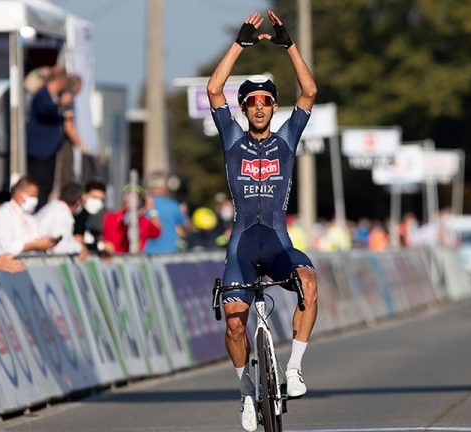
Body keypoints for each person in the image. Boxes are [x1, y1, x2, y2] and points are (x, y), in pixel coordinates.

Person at [207, 10, 318, 431]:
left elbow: (309, 90)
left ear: (274, 106)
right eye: (251, 101)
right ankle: (246, 393)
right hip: (240, 246)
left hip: (277, 243)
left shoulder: (286, 138)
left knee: (308, 282)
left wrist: (288, 45)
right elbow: (214, 88)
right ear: (244, 107)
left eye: (266, 101)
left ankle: (295, 369)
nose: (258, 106)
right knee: (235, 322)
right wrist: (242, 42)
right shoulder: (233, 138)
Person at [27, 65, 68, 209]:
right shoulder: (42, 95)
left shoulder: (52, 97)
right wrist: (60, 106)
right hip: (40, 150)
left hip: (49, 150)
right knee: (40, 185)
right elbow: (45, 111)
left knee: (47, 185)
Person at [0, 176, 59, 256]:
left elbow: (33, 237)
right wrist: (33, 245)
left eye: (36, 197)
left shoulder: (29, 216)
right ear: (18, 194)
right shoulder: (4, 214)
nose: (35, 200)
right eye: (32, 196)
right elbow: (5, 248)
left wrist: (44, 241)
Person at [102, 186, 162, 254]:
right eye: (128, 196)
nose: (130, 200)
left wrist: (152, 210)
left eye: (135, 197)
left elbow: (157, 232)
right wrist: (103, 245)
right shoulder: (109, 217)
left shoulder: (144, 221)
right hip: (110, 260)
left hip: (133, 261)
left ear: (140, 201)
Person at [36, 182, 87, 259]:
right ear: (78, 201)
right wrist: (79, 248)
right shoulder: (62, 215)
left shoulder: (54, 208)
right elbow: (59, 247)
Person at [143, 172, 189, 254]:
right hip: (168, 254)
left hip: (146, 254)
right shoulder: (174, 206)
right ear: (164, 188)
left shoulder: (142, 205)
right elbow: (187, 227)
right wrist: (184, 213)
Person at [74, 179, 108, 255]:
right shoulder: (77, 213)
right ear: (84, 195)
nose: (98, 202)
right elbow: (77, 240)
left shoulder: (91, 217)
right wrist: (101, 246)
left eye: (101, 199)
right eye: (94, 197)